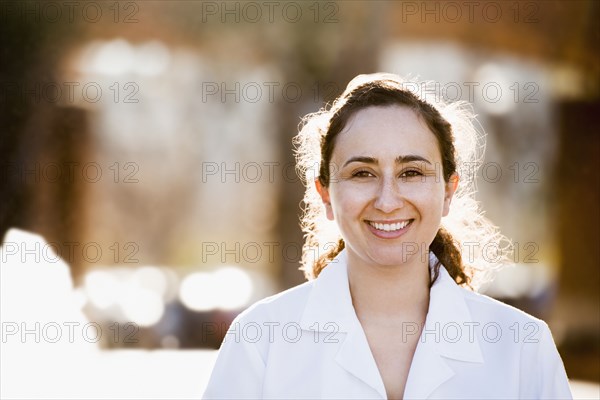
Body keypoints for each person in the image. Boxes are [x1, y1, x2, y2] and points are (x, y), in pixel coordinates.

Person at [202, 73, 572, 399]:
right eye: (362, 173)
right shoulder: (260, 341)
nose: (387, 200)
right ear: (326, 194)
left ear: (448, 191)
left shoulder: (521, 347)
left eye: (412, 172)